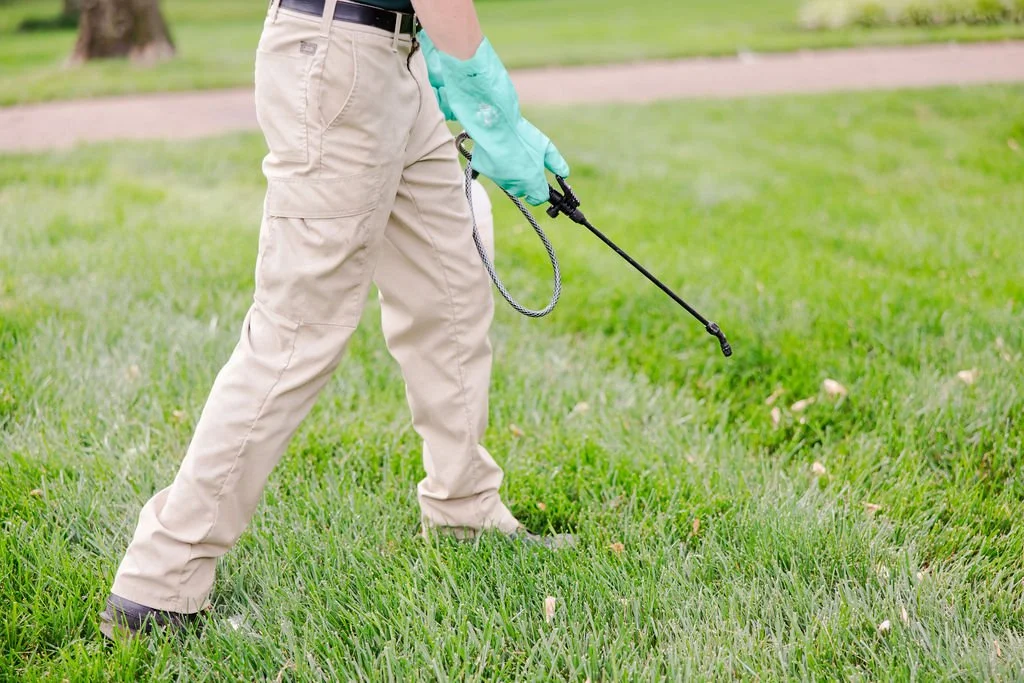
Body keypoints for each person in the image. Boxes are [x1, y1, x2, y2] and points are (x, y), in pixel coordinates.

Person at [99, 0, 571, 638]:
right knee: (298, 330)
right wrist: (483, 85)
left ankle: (465, 508)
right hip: (341, 57)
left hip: (400, 59)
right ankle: (159, 580)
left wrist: (467, 79)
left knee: (450, 287)